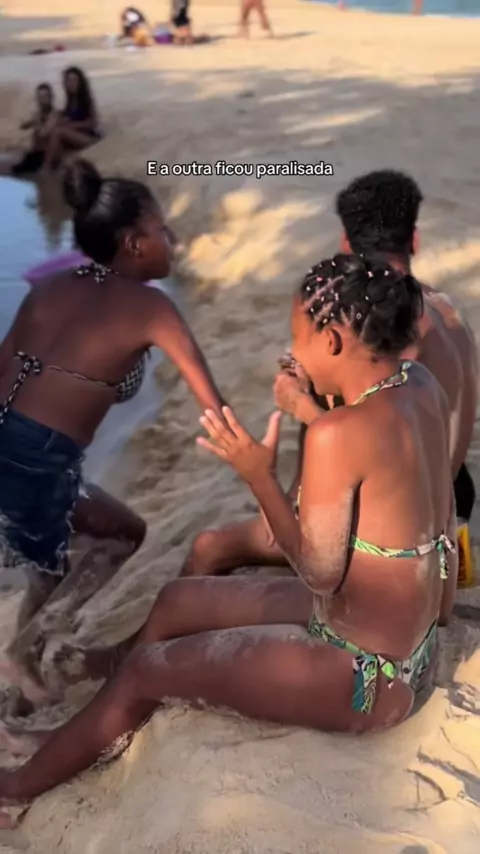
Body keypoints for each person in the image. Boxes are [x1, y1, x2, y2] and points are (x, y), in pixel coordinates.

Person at [0, 254, 457, 821]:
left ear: (334, 341)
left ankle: (16, 788)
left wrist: (258, 475)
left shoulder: (337, 434)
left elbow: (318, 571)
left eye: (298, 337)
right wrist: (311, 410)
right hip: (398, 645)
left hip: (364, 675)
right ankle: (76, 730)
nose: (292, 351)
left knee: (149, 670)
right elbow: (431, 505)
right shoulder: (419, 386)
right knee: (177, 601)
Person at [0, 158, 225, 704]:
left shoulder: (50, 287)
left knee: (51, 566)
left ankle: (23, 690)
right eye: (163, 230)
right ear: (133, 244)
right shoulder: (151, 306)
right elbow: (212, 404)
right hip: (40, 458)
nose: (173, 241)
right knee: (121, 535)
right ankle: (28, 650)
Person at [183, 169, 477, 577]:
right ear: (414, 240)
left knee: (209, 548)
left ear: (345, 246)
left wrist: (302, 406)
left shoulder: (370, 339)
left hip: (401, 524)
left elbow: (362, 462)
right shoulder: (448, 311)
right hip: (456, 502)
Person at [42, 67, 101, 171]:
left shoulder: (86, 99)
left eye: (74, 79)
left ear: (80, 82)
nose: (71, 83)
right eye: (68, 80)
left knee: (58, 132)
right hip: (76, 137)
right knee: (52, 132)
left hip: (89, 138)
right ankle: (53, 167)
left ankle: (45, 169)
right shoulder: (70, 100)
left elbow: (93, 123)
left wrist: (71, 125)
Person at [10, 83, 57, 176]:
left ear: (51, 97)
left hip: (47, 156)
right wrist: (29, 123)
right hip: (36, 153)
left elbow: (44, 133)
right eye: (40, 97)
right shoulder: (38, 114)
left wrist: (36, 122)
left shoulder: (55, 114)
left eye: (45, 96)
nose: (42, 100)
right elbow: (22, 126)